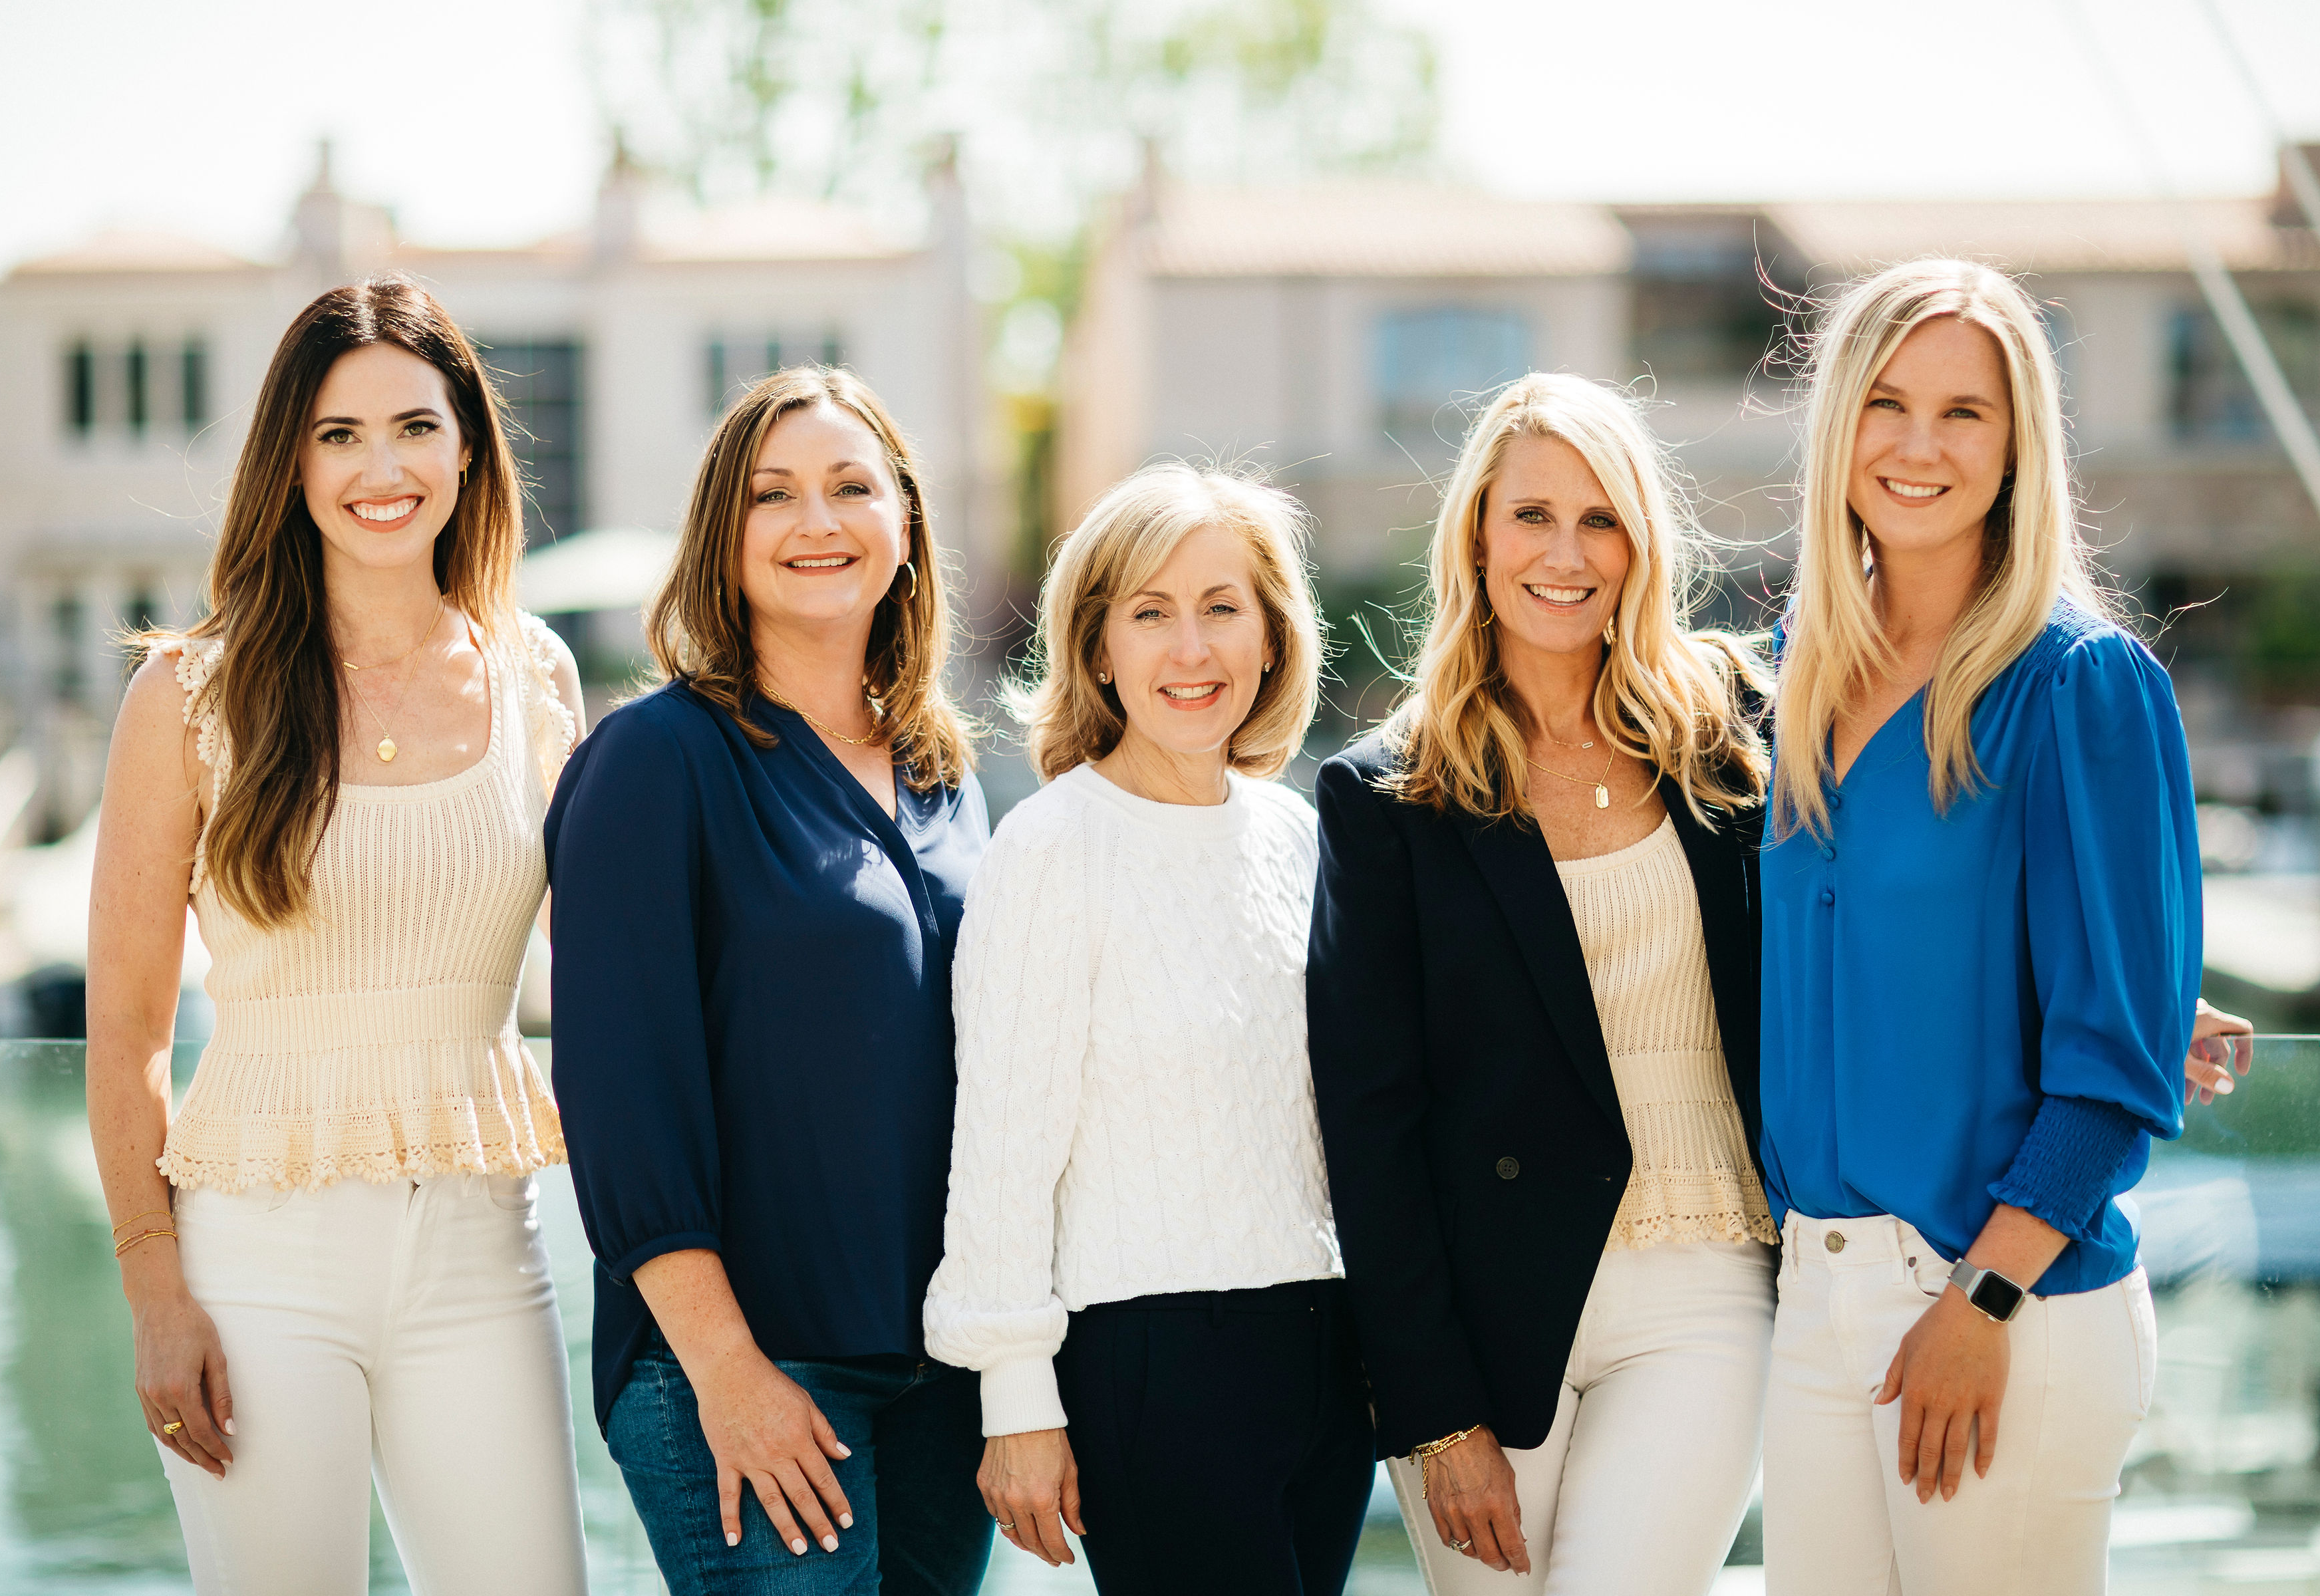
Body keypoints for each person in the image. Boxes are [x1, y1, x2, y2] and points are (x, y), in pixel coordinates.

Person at [84, 273, 588, 1595]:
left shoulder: (536, 673)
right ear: (290, 465)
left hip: (487, 1251)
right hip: (256, 1265)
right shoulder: (186, 695)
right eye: (339, 434)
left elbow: (608, 987)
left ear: (468, 445)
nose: (384, 467)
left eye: (416, 427)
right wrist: (154, 1295)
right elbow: (130, 1030)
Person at [1756, 257, 2200, 1594]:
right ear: (1837, 426)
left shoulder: (2080, 685)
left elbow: (2114, 1060)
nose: (1917, 446)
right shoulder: (1791, 668)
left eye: (1965, 414)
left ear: (2018, 448)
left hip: (2000, 1300)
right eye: (1886, 403)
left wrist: (1984, 1296)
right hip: (1811, 1297)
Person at [1306, 373, 1778, 1594]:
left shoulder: (1728, 730)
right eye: (1531, 516)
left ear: (1641, 544)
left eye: (1601, 518)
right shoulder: (1386, 794)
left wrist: (2119, 1001)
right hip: (1480, 1321)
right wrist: (1431, 1410)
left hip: (1706, 1277)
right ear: (1477, 533)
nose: (1565, 554)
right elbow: (1370, 1122)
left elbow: (1899, 911)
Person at [546, 367, 990, 1596]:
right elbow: (617, 1097)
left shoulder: (949, 778)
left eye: (853, 488)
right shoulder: (654, 763)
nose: (818, 523)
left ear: (904, 528)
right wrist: (729, 1371)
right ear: (721, 540)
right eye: (773, 495)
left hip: (944, 1379)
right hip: (748, 1369)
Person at [923, 463, 1373, 1595]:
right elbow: (1002, 1150)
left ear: (1272, 638)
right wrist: (1016, 1398)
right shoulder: (1050, 850)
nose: (1192, 650)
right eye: (1152, 613)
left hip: (1326, 1352)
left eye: (1223, 609)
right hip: (1152, 1360)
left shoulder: (1299, 835)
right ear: (1098, 646)